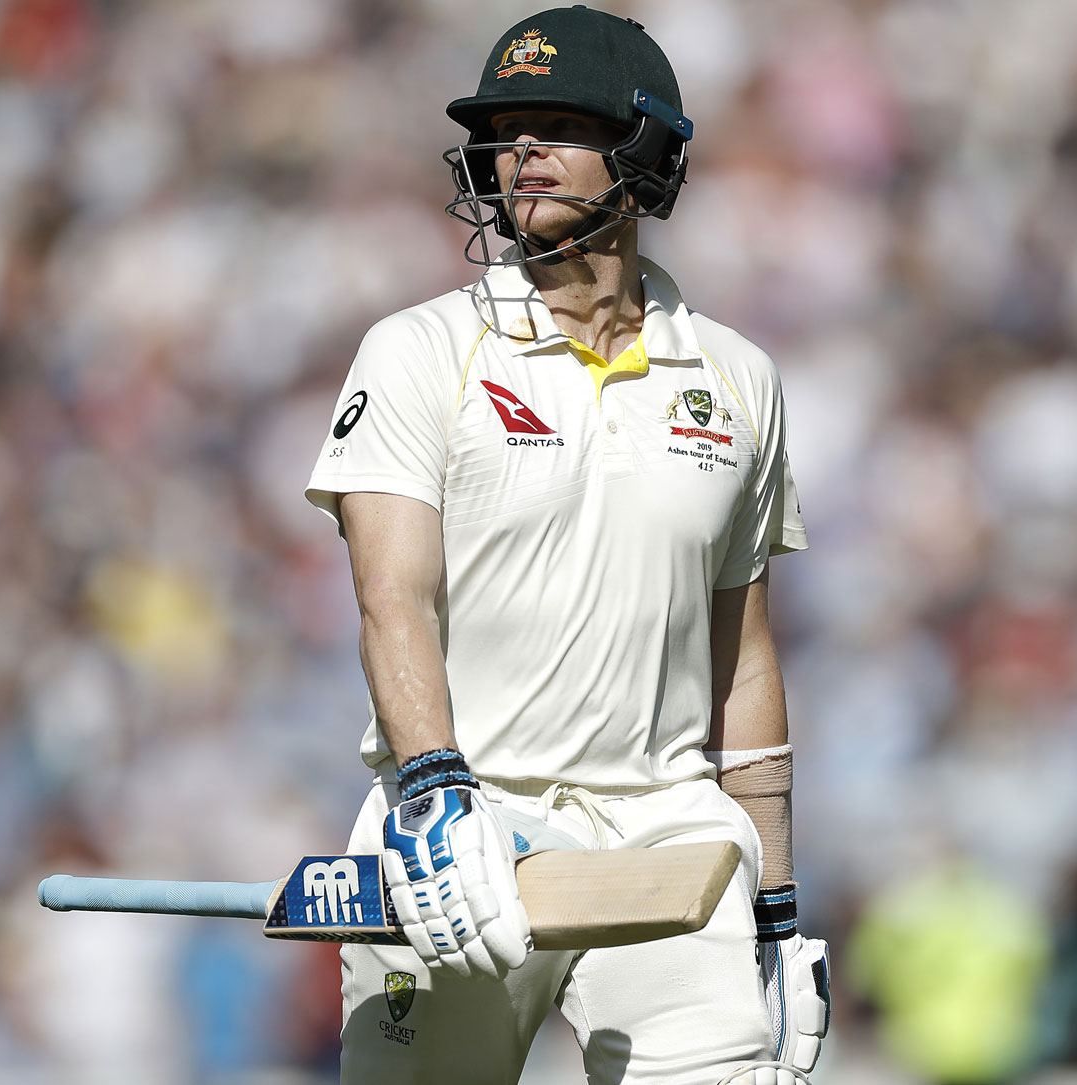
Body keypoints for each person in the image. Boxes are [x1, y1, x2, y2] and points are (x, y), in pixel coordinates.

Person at [305, 6, 830, 1083]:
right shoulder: (420, 349)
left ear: (643, 153)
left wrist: (775, 900)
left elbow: (744, 657)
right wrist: (435, 792)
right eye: (505, 131)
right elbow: (391, 597)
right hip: (462, 827)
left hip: (667, 835)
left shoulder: (737, 379)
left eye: (556, 125)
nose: (519, 153)